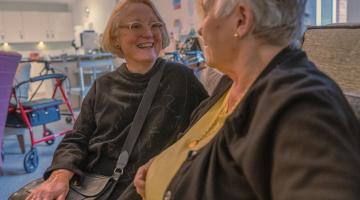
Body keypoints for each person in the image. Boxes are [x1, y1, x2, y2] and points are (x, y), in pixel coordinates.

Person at [133, 0, 360, 199]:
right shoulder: (231, 84)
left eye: (206, 9)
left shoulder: (302, 108)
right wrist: (164, 166)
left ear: (241, 19)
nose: (200, 29)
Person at [25, 0, 208, 199]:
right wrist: (60, 175)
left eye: (155, 25)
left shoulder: (182, 79)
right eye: (135, 25)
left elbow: (208, 130)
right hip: (95, 187)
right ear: (116, 37)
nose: (148, 33)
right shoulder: (102, 86)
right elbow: (77, 138)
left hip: (145, 188)